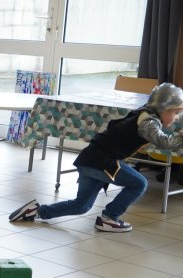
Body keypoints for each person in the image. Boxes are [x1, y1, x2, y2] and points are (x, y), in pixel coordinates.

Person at [10, 83, 183, 232]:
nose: (176, 118)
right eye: (175, 112)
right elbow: (165, 142)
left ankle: (36, 211)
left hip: (89, 159)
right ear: (163, 108)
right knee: (139, 183)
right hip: (102, 162)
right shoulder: (148, 122)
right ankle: (109, 218)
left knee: (81, 206)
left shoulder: (143, 113)